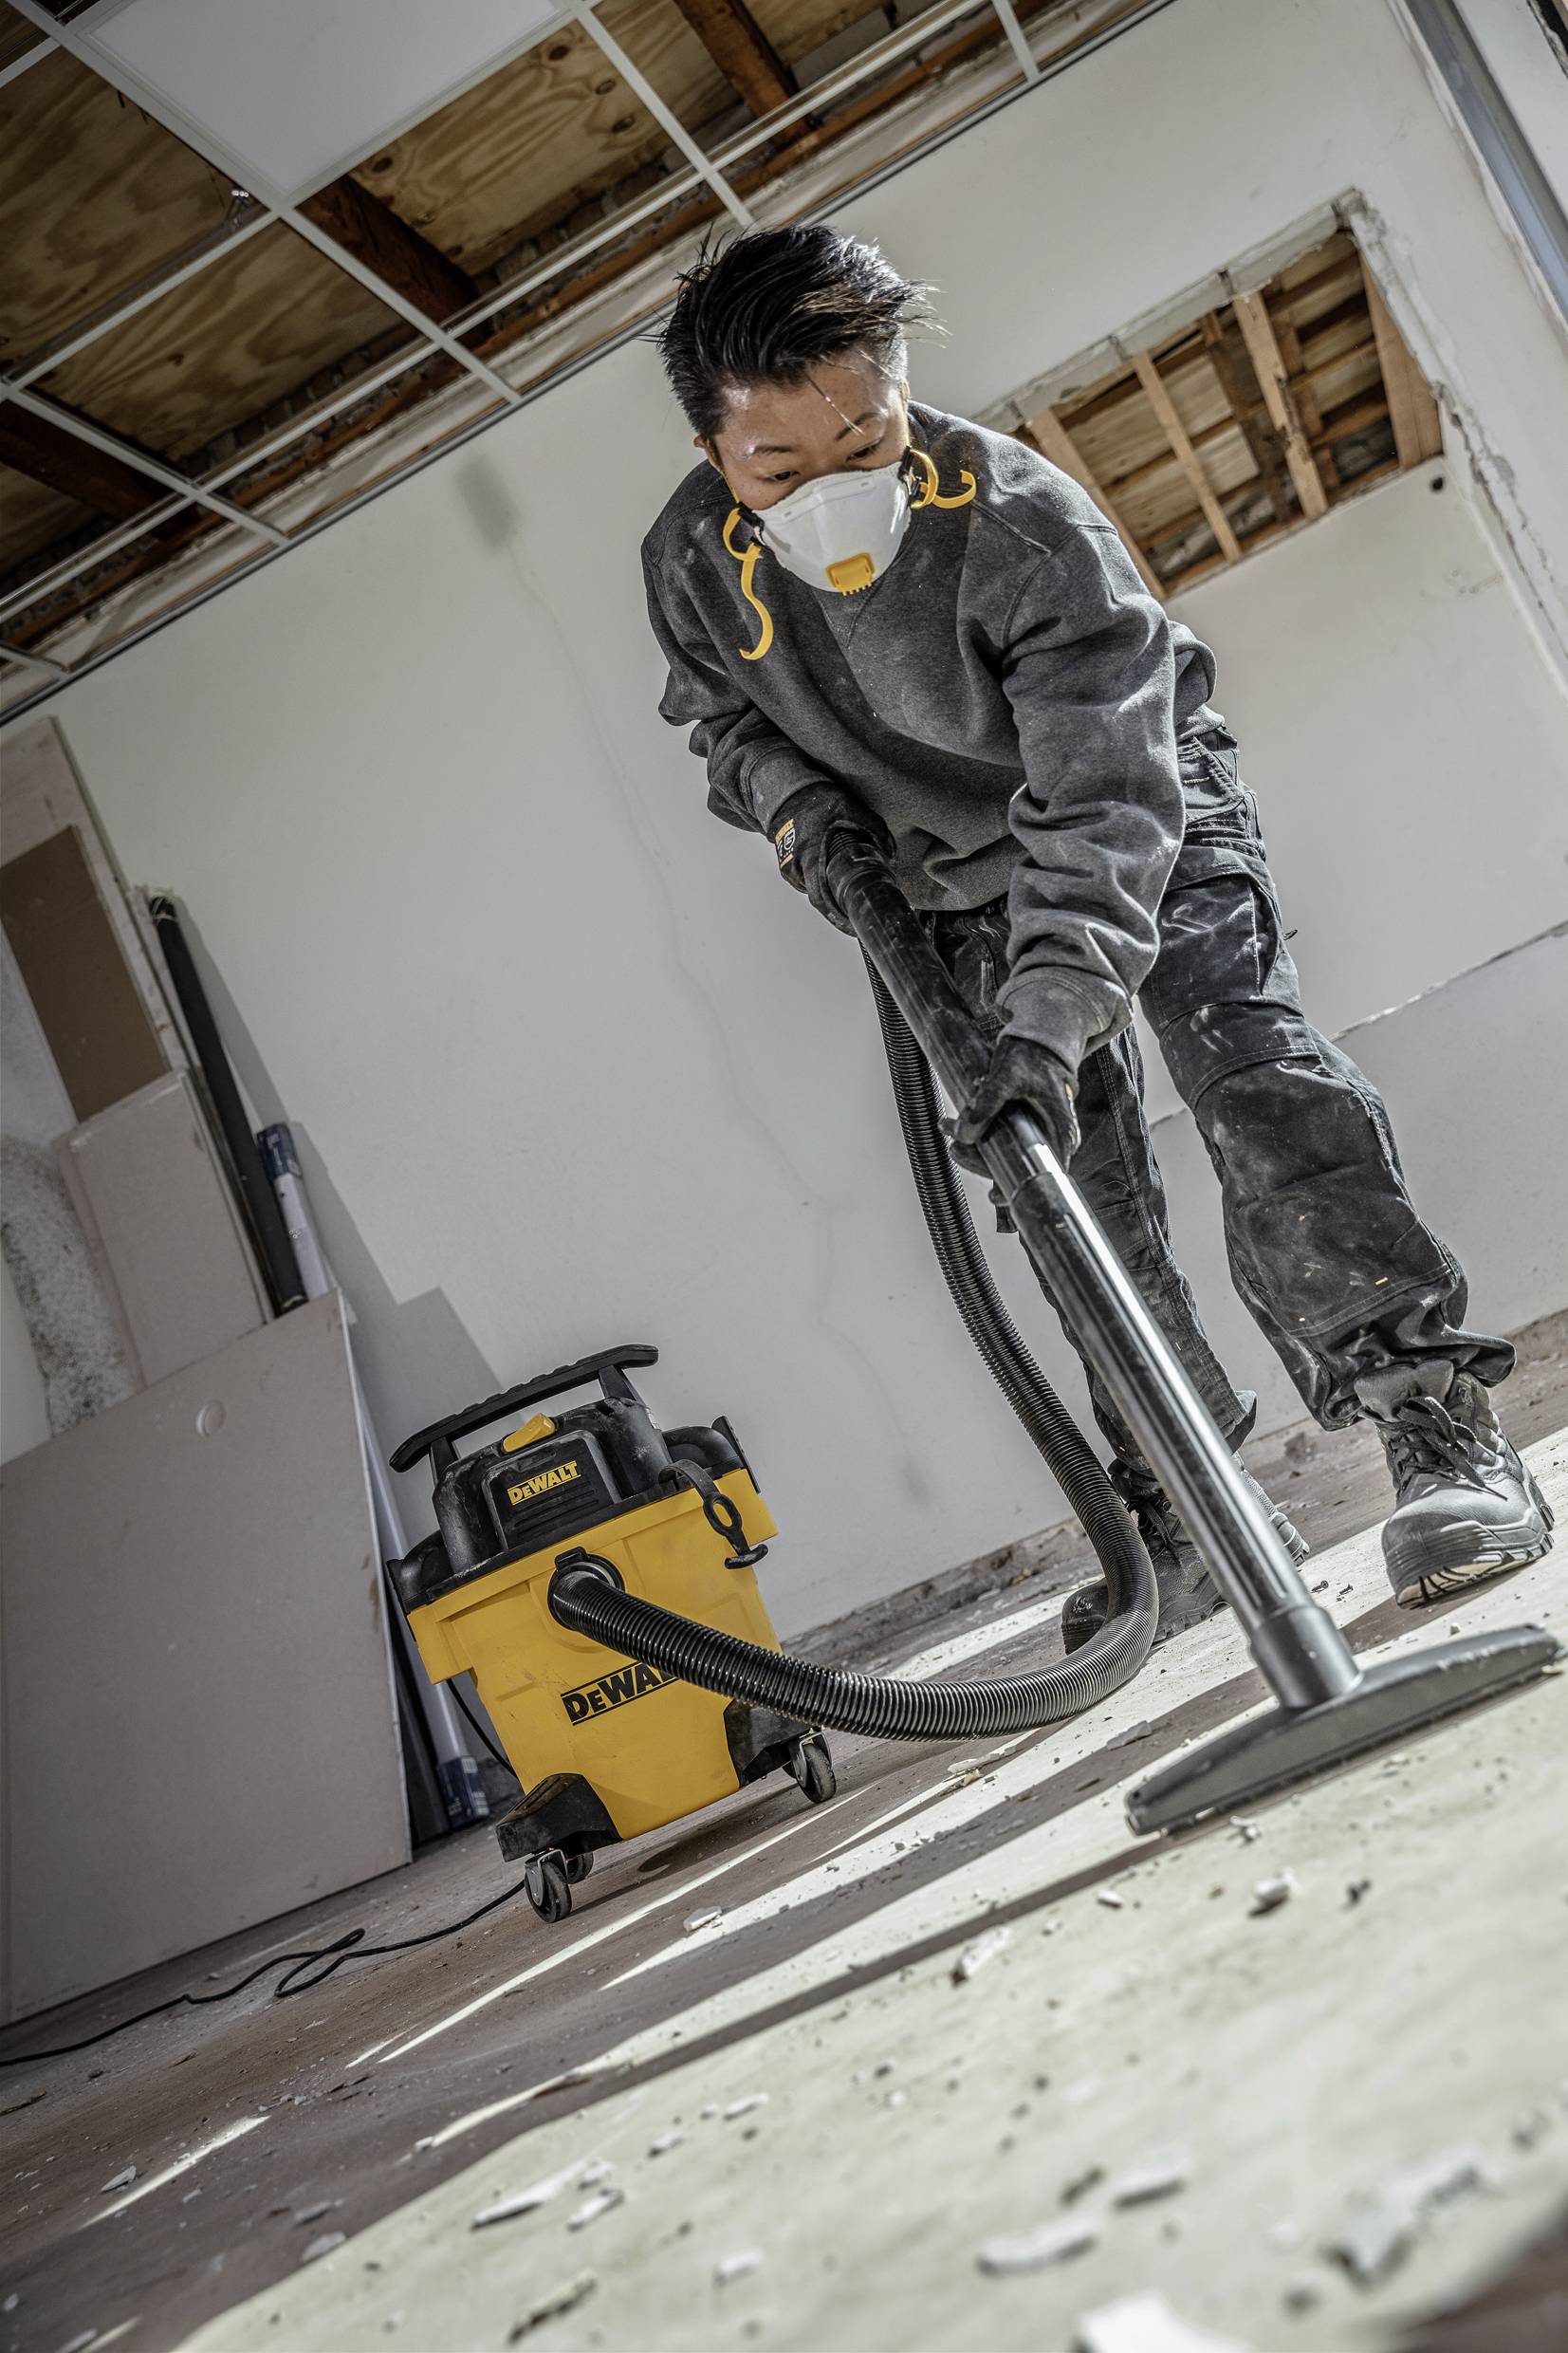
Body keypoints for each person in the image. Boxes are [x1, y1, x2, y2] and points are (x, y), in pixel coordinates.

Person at [640, 224, 1553, 1645]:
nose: (829, 492)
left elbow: (1104, 793)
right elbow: (719, 725)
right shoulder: (690, 564)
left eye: (861, 442)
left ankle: (1429, 1419)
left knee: (1252, 1072)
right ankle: (1189, 1500)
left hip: (1140, 801)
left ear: (896, 392)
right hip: (941, 881)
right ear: (712, 450)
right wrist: (794, 810)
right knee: (1065, 1193)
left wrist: (1052, 1016)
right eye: (778, 471)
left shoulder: (1014, 520)